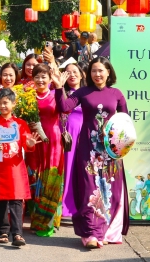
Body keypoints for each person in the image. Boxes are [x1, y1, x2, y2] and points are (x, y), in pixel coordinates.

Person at [54, 57, 129, 249]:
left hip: (110, 151)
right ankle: (90, 233)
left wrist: (116, 138)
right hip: (88, 149)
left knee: (111, 191)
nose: (97, 74)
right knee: (89, 190)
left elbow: (125, 122)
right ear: (89, 74)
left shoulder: (117, 94)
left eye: (101, 70)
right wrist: (57, 88)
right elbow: (63, 107)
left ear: (109, 72)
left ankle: (106, 232)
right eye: (94, 71)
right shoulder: (83, 92)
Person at [0, 88, 40, 247]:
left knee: (16, 200)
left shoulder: (20, 124)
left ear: (13, 104)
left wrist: (29, 144)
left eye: (5, 102)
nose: (2, 106)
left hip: (15, 167)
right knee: (0, 200)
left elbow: (27, 143)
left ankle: (18, 234)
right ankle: (3, 231)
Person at [27, 63, 64, 237]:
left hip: (54, 141)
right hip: (35, 142)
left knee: (51, 179)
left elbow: (67, 108)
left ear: (50, 78)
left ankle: (50, 221)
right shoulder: (27, 97)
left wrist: (60, 87)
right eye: (37, 76)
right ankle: (36, 220)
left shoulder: (56, 94)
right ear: (32, 79)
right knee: (36, 179)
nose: (40, 80)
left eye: (44, 77)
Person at [60, 62, 86, 218]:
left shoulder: (88, 93)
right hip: (67, 135)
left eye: (75, 71)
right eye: (68, 72)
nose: (72, 75)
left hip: (84, 134)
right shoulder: (62, 93)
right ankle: (65, 206)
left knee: (82, 170)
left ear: (82, 74)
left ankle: (82, 205)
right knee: (67, 169)